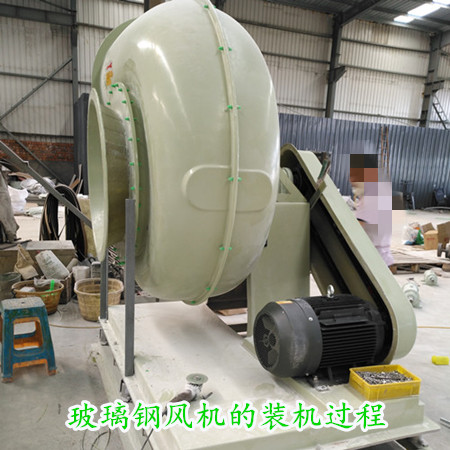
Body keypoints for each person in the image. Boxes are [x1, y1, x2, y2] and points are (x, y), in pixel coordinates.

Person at [349, 153, 395, 269]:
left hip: (373, 260)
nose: (352, 180)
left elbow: (356, 230)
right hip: (383, 255)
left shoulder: (370, 199)